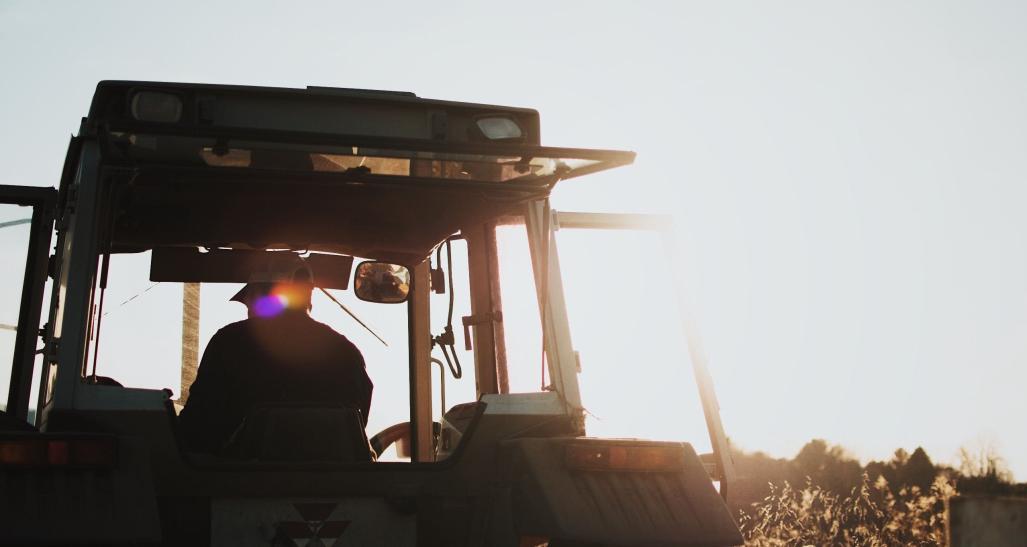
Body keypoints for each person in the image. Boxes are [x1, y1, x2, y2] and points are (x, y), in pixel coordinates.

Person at [178, 266, 372, 454]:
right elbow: (356, 427)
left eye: (249, 299)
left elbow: (196, 429)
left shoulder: (229, 342)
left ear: (262, 295)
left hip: (239, 482)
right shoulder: (347, 352)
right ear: (308, 296)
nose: (248, 309)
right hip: (336, 483)